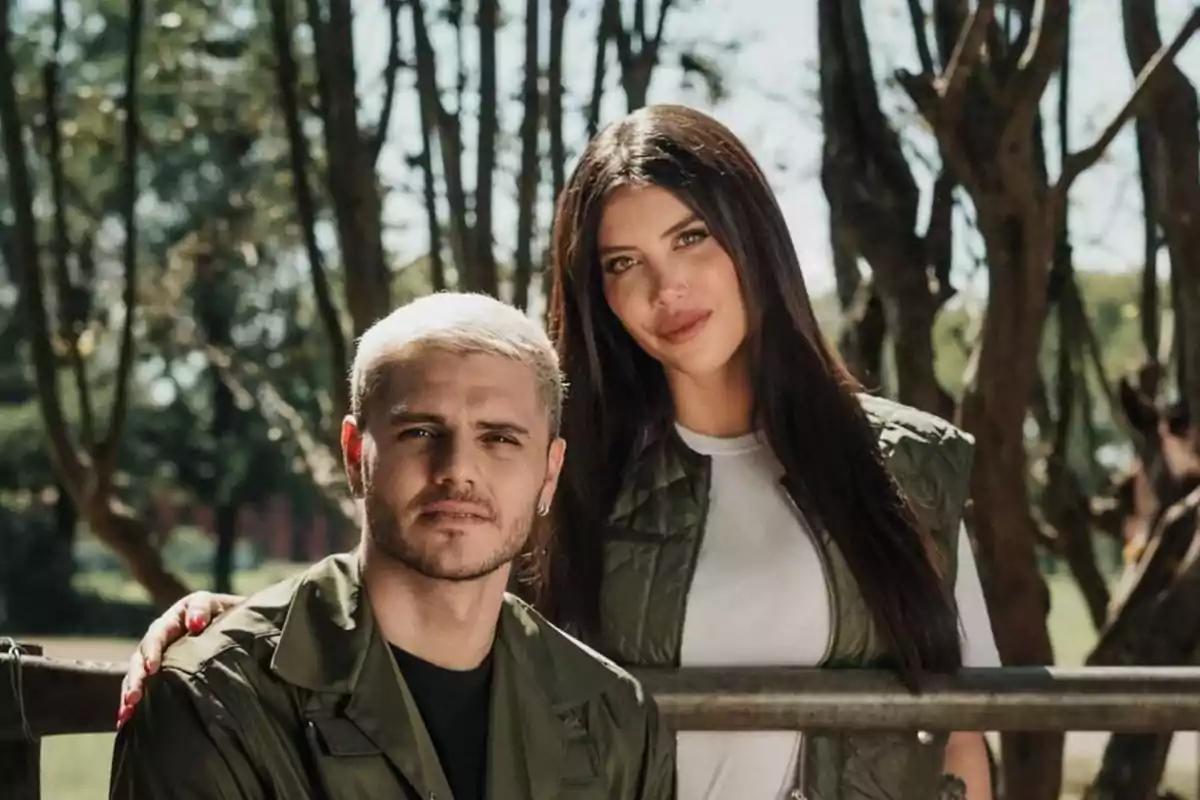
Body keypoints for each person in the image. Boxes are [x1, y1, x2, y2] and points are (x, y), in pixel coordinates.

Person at [119, 104, 999, 800]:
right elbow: (440, 587)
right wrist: (252, 624)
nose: (666, 287)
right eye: (623, 263)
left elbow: (965, 724)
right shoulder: (568, 470)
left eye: (691, 237)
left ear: (754, 235)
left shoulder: (906, 464)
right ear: (596, 293)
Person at [109, 293, 673, 799]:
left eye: (499, 438)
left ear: (549, 473)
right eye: (421, 432)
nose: (458, 471)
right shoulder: (215, 701)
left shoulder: (615, 719)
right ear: (356, 455)